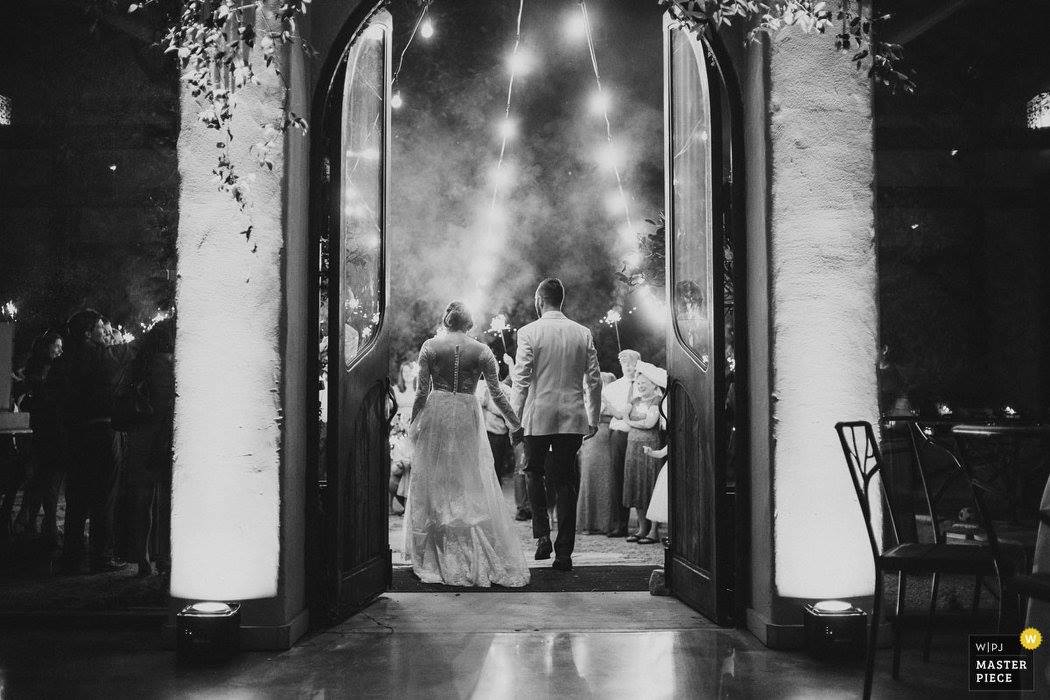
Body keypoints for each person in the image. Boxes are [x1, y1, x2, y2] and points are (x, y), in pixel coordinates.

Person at [403, 301, 528, 587]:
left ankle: (434, 550)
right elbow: (497, 393)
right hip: (467, 415)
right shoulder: (482, 350)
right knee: (468, 478)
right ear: (469, 324)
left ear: (446, 322)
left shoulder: (431, 347)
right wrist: (515, 422)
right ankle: (471, 545)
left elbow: (422, 392)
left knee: (435, 478)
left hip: (437, 411)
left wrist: (413, 421)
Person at [510, 278, 602, 572]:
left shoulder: (528, 332)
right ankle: (564, 553)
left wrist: (515, 419)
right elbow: (595, 380)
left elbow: (521, 380)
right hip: (573, 417)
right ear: (561, 301)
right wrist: (593, 418)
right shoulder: (582, 332)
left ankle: (542, 536)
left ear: (539, 300)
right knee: (566, 483)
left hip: (539, 416)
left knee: (532, 472)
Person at [55, 309, 136, 574]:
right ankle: (102, 556)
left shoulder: (63, 361)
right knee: (104, 497)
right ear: (88, 333)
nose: (105, 333)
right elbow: (131, 354)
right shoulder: (103, 356)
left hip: (74, 436)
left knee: (76, 499)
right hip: (102, 432)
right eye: (101, 329)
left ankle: (71, 557)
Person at [123, 316, 175, 577]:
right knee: (166, 499)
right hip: (163, 434)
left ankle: (142, 556)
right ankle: (164, 556)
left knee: (143, 499)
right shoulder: (171, 365)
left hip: (140, 434)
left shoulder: (139, 365)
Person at [13, 331, 66, 547]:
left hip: (39, 431)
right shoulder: (46, 371)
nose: (60, 351)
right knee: (49, 481)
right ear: (48, 348)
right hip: (49, 432)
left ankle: (29, 523)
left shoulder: (36, 369)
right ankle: (47, 529)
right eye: (57, 346)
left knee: (41, 480)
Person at [622, 361, 666, 545]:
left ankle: (654, 530)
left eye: (644, 383)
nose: (640, 386)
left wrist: (631, 421)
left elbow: (649, 423)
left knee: (649, 484)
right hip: (632, 446)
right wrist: (631, 420)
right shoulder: (634, 401)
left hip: (650, 443)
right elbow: (625, 416)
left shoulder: (657, 400)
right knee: (636, 486)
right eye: (638, 383)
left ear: (653, 385)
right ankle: (641, 528)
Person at [602, 349, 640, 537]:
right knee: (617, 478)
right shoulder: (613, 387)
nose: (629, 368)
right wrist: (614, 410)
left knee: (639, 477)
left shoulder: (644, 385)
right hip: (619, 434)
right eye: (625, 364)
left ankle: (644, 525)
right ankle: (620, 524)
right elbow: (602, 408)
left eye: (632, 364)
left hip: (640, 434)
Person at [577, 372, 615, 534]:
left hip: (605, 437)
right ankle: (587, 522)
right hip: (588, 439)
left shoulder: (608, 398)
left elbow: (615, 413)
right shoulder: (584, 398)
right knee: (588, 477)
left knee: (606, 479)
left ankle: (605, 523)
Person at [475, 356, 512, 482]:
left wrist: (488, 404)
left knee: (495, 472)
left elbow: (509, 413)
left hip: (497, 435)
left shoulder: (505, 390)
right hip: (480, 434)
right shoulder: (477, 387)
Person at [388, 359, 417, 511]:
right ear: (401, 374)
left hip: (414, 430)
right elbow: (392, 412)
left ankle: (409, 503)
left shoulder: (419, 390)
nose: (407, 374)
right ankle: (392, 502)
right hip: (399, 432)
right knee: (397, 467)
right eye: (404, 371)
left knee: (411, 467)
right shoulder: (396, 389)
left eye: (410, 371)